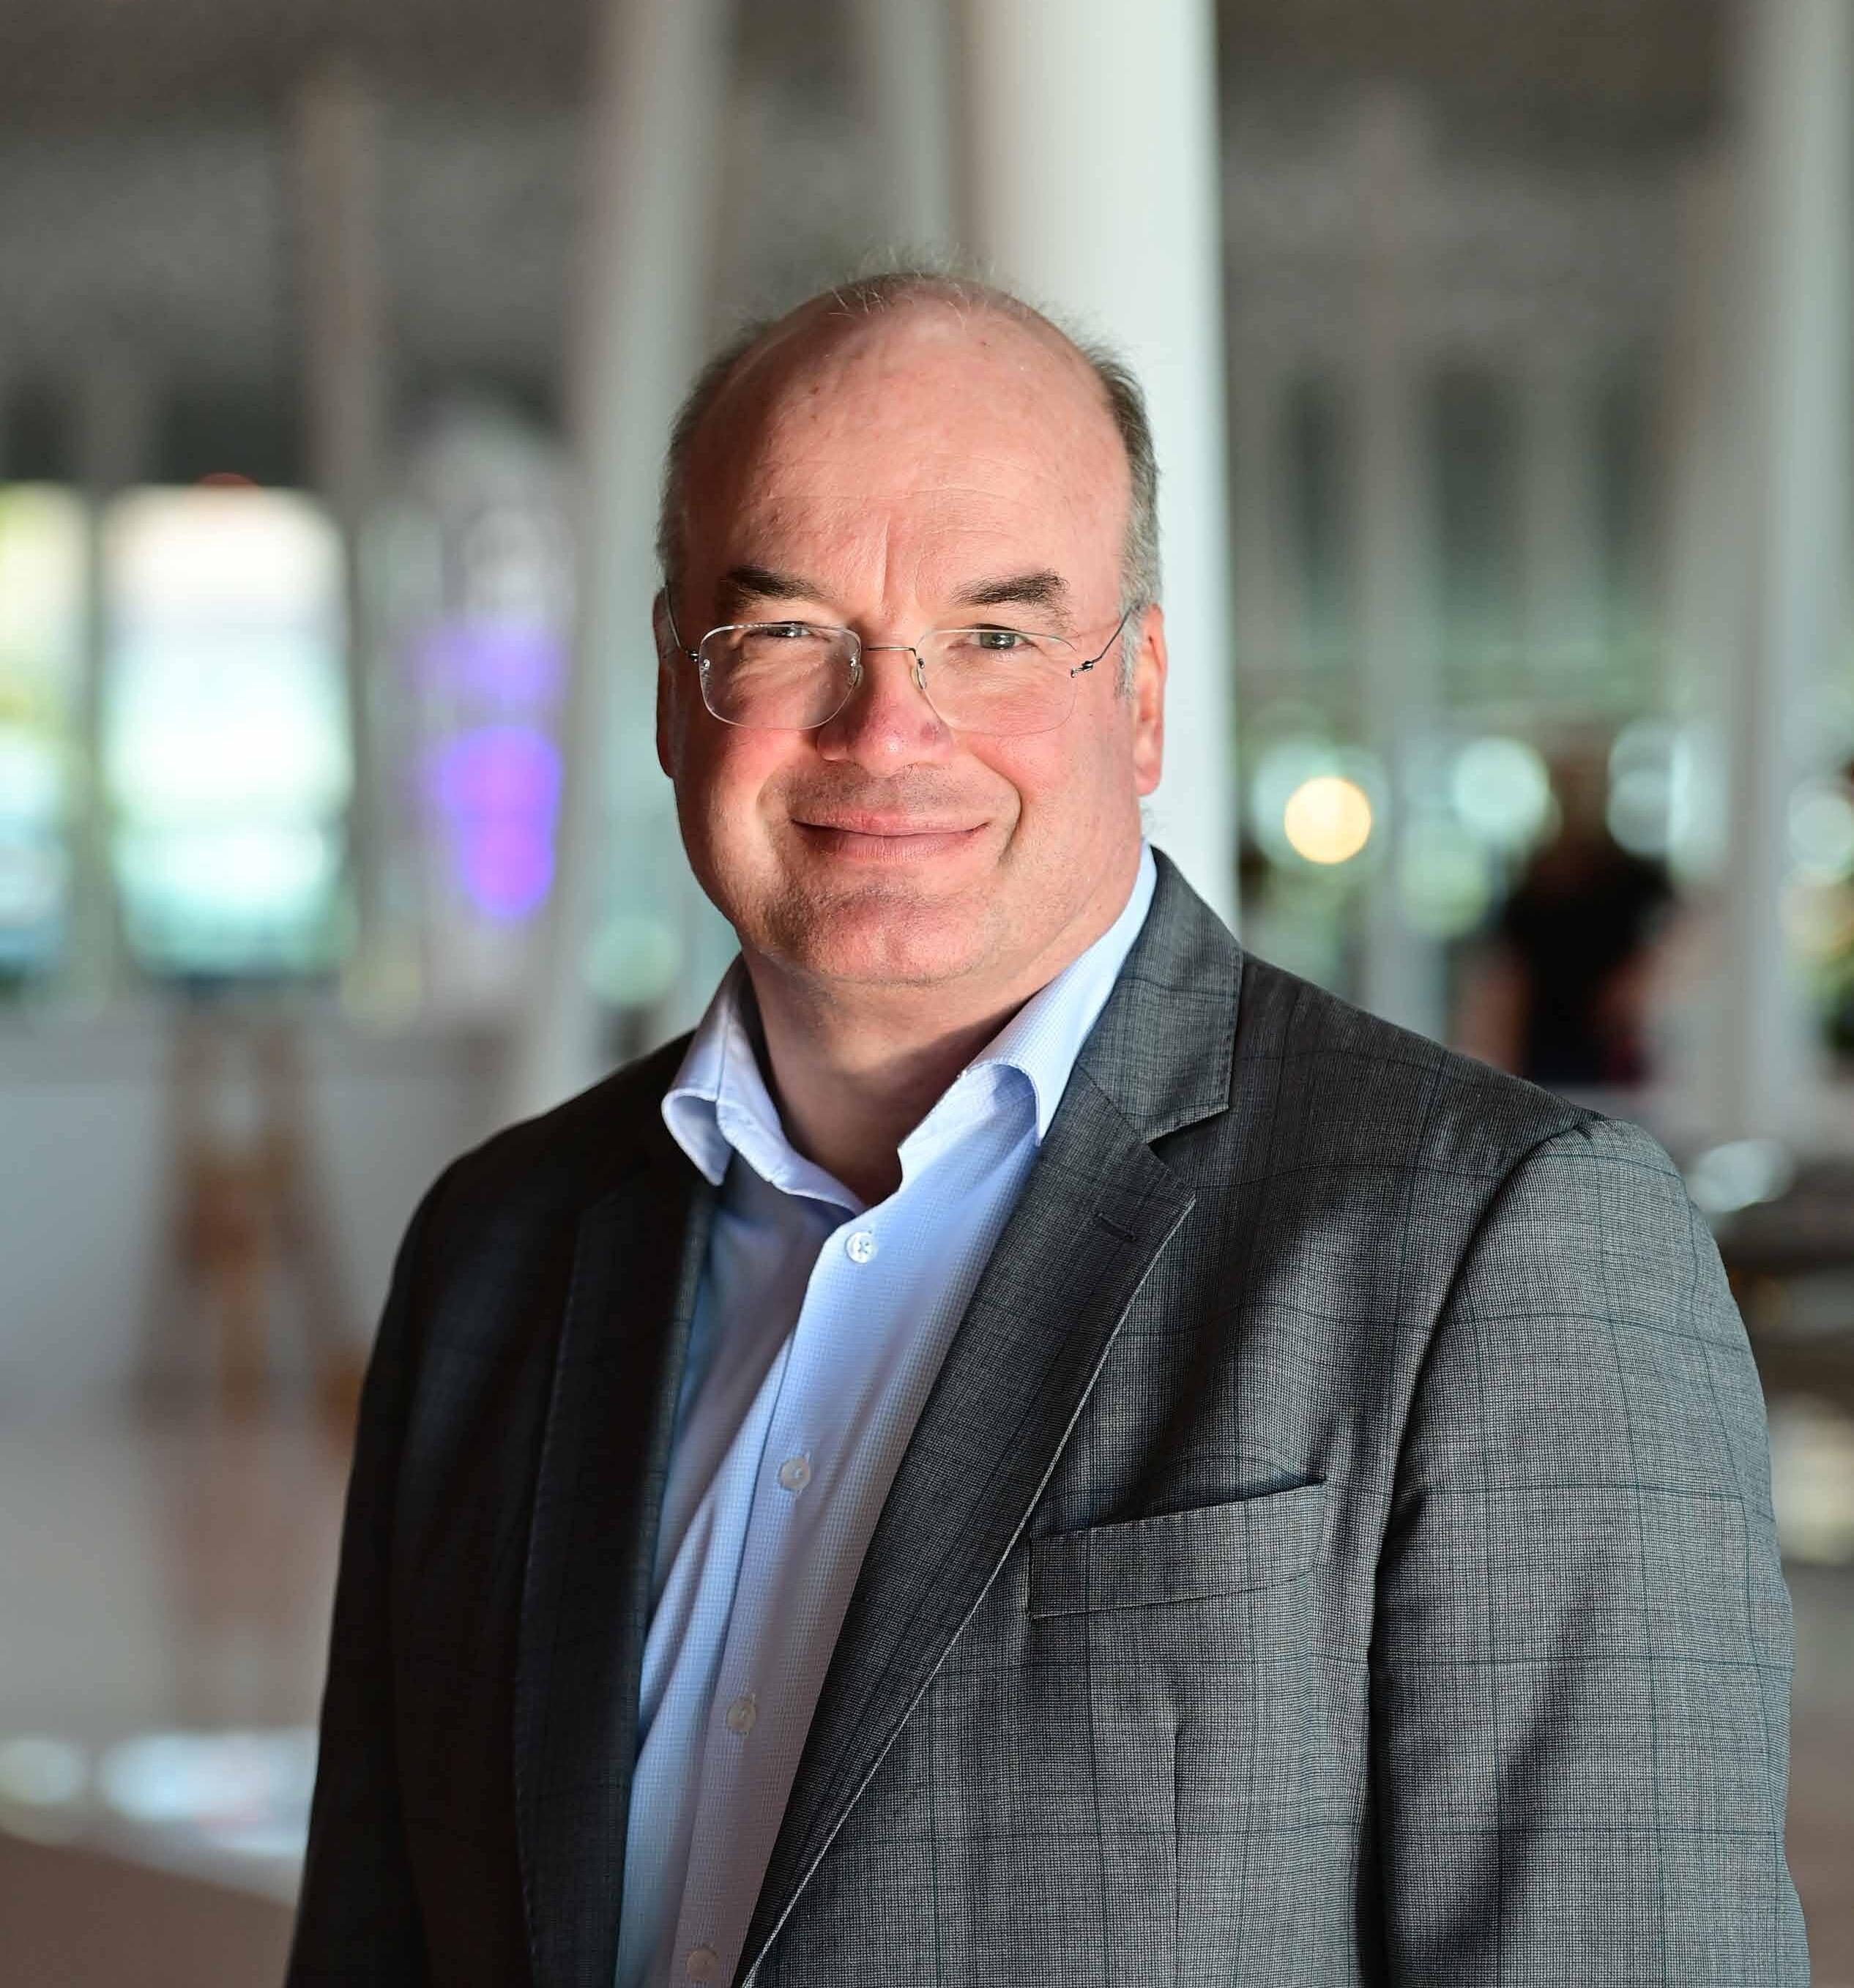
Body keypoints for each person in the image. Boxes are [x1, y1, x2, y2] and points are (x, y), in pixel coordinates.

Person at [288, 272, 1807, 1987]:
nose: (888, 727)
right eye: (789, 632)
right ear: (668, 683)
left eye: (996, 636)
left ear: (1140, 691)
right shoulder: (499, 1247)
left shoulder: (1497, 1244)